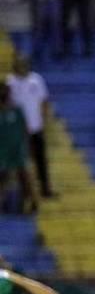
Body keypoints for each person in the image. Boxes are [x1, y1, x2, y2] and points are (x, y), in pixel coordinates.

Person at [6, 53, 52, 199]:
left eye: (24, 63)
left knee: (40, 159)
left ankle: (45, 189)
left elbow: (44, 101)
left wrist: (44, 122)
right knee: (19, 162)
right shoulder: (10, 82)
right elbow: (6, 105)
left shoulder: (36, 80)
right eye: (19, 64)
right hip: (17, 130)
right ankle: (23, 192)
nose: (22, 67)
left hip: (35, 126)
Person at [0, 85, 35, 214]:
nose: (3, 94)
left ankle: (31, 202)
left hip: (17, 149)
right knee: (3, 177)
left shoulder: (17, 110)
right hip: (2, 150)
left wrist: (27, 147)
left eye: (5, 92)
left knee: (24, 177)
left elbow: (25, 130)